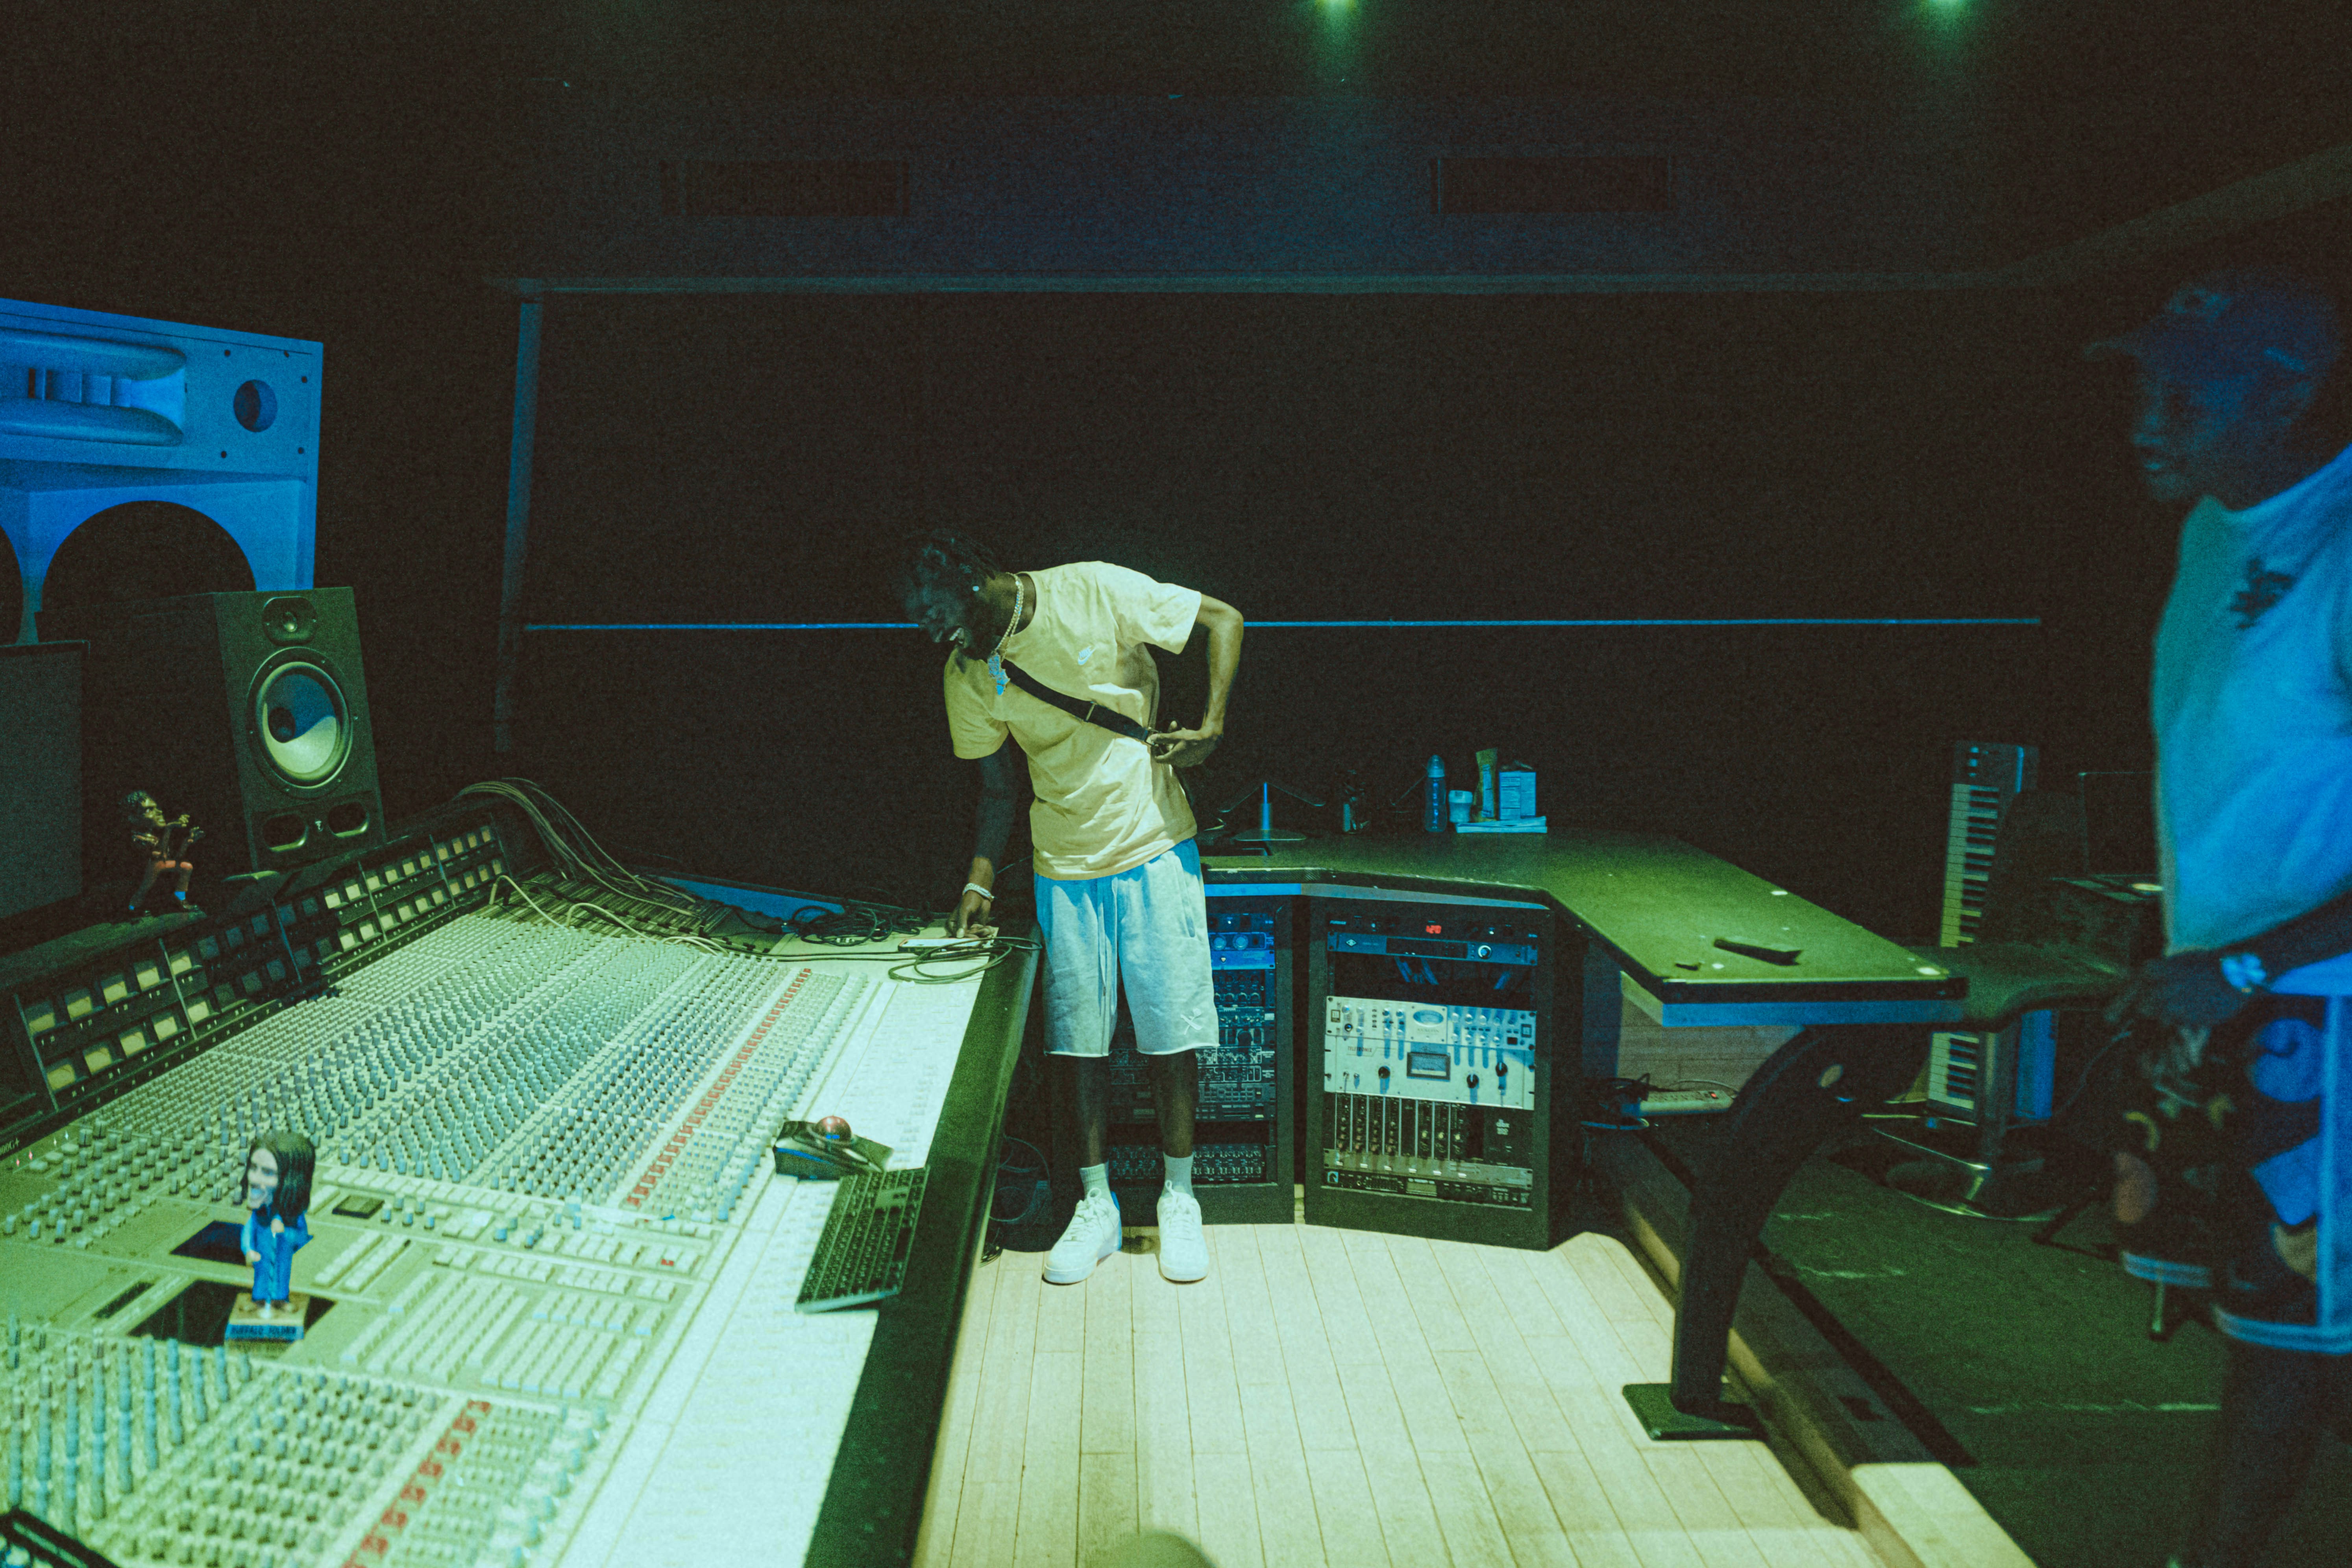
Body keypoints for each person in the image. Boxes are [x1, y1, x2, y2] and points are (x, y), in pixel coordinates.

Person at [2094, 268, 2352, 1566]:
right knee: (2272, 1315)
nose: (2148, 413)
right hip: (2229, 994)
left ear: (2286, 390)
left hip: (2322, 1011)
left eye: (2181, 390)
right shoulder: (2212, 527)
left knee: (2285, 1336)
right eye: (2142, 383)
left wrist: (2247, 962)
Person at [897, 529, 1243, 1285]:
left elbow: (1223, 618)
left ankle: (1180, 1196)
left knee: (1168, 1031)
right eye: (917, 616)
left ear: (974, 577)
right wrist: (979, 881)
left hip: (1151, 839)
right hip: (1063, 860)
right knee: (1076, 1043)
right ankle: (1097, 1204)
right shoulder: (966, 671)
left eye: (935, 608)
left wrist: (1211, 725)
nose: (929, 628)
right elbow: (997, 789)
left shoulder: (1090, 586)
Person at [240, 1130, 315, 1314]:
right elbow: (248, 1234)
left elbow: (302, 1239)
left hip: (282, 1259)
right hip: (262, 1259)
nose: (255, 1179)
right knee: (261, 1279)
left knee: (281, 1278)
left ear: (290, 1180)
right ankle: (258, 1300)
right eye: (253, 1168)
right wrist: (249, 1251)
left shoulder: (293, 1216)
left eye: (267, 1173)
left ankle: (281, 1300)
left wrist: (285, 1233)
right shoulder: (257, 1216)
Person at [123, 790, 201, 917]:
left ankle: (180, 898)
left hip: (156, 871)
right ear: (132, 817)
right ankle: (133, 907)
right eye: (149, 810)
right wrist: (169, 829)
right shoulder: (137, 838)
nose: (159, 812)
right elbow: (161, 857)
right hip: (145, 874)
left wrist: (187, 842)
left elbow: (174, 858)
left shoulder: (153, 837)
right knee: (144, 888)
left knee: (186, 867)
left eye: (156, 808)